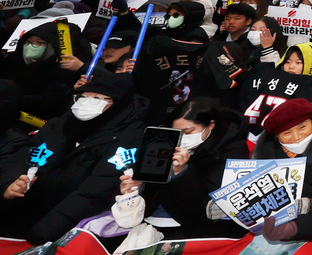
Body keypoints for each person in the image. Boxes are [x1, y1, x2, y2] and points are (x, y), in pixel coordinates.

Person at [0, 70, 149, 245]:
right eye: (83, 96)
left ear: (119, 103)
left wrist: (44, 233)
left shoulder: (130, 136)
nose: (87, 102)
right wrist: (8, 185)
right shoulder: (61, 124)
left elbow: (95, 192)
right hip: (27, 212)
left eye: (98, 98)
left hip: (70, 229)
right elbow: (25, 155)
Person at [116, 96, 251, 239]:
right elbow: (154, 190)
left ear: (210, 126)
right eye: (176, 132)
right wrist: (138, 187)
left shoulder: (231, 150)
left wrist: (182, 172)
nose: (181, 138)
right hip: (153, 220)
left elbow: (207, 207)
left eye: (187, 132)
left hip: (196, 227)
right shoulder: (167, 142)